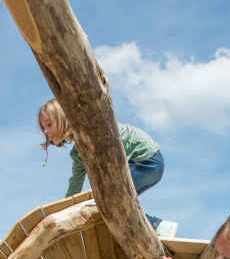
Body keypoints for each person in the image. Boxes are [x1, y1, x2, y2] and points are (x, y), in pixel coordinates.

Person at [38, 98, 178, 237]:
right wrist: (65, 209)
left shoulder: (88, 131)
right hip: (148, 162)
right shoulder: (78, 153)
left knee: (110, 202)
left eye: (49, 125)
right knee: (119, 206)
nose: (45, 131)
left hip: (145, 159)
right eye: (43, 127)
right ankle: (155, 230)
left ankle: (156, 225)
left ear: (63, 120)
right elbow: (76, 181)